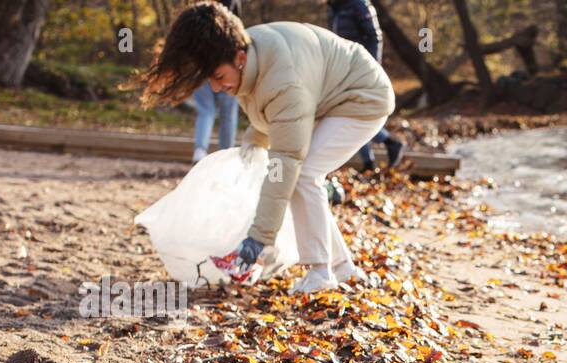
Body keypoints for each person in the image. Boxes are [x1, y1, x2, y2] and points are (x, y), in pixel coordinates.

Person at [138, 1, 394, 294]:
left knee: (303, 174)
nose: (217, 88)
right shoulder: (250, 59)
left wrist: (258, 239)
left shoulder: (282, 78)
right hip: (328, 99)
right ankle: (343, 268)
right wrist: (254, 143)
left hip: (363, 97)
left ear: (240, 57)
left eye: (219, 78)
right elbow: (272, 115)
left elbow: (286, 157)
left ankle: (322, 271)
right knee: (304, 175)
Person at [327, 0, 403, 171]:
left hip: (361, 69)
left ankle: (385, 146)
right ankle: (371, 158)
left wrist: (372, 68)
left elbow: (374, 37)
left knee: (355, 114)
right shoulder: (334, 8)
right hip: (343, 70)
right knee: (352, 113)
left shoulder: (359, 4)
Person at [190, 0, 241, 162]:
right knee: (228, 113)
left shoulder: (198, 7)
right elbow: (237, 30)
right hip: (226, 61)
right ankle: (225, 156)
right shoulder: (232, 4)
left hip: (200, 61)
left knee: (206, 110)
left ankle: (200, 150)